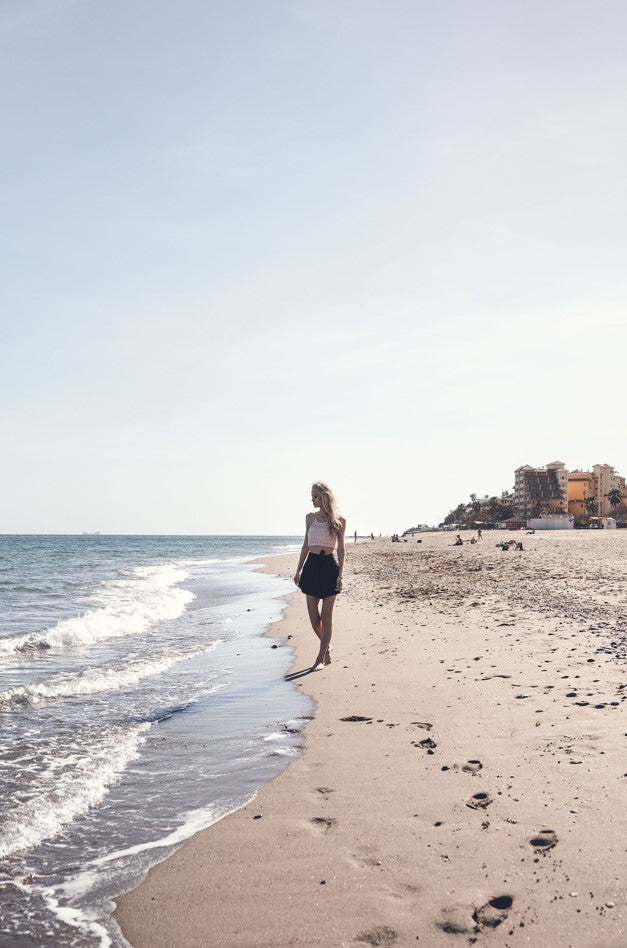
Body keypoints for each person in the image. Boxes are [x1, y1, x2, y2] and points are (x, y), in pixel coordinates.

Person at [293, 481, 346, 671]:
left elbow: (341, 550)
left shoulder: (339, 521)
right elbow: (305, 546)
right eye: (311, 496)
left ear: (323, 496)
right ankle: (328, 648)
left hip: (330, 567)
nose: (312, 500)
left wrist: (340, 574)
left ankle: (320, 658)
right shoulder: (309, 518)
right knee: (314, 618)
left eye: (315, 496)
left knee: (326, 617)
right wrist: (298, 570)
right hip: (312, 567)